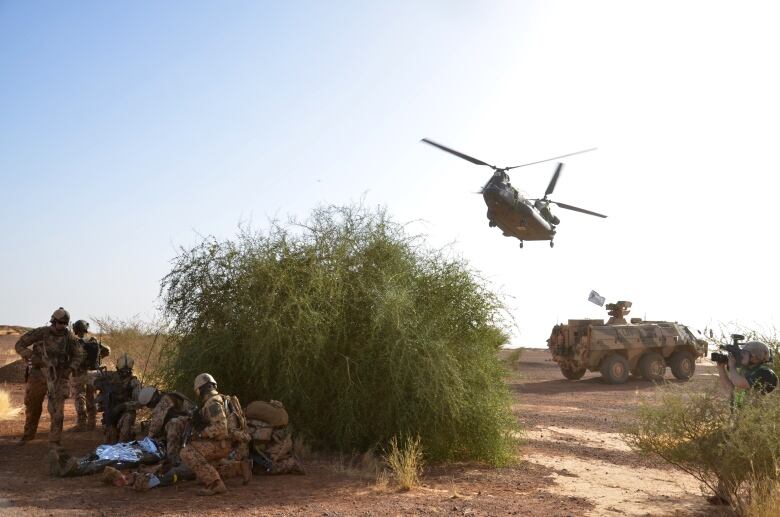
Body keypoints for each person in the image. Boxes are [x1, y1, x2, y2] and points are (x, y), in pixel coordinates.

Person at [14, 307, 84, 446]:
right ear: (53, 321)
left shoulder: (69, 337)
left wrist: (69, 369)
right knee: (33, 406)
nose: (63, 326)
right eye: (60, 323)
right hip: (38, 374)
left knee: (58, 411)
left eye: (65, 323)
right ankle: (28, 435)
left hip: (58, 377)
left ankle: (55, 441)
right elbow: (19, 345)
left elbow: (79, 354)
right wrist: (32, 357)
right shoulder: (41, 332)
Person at [179, 373, 251, 496]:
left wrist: (200, 434)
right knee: (203, 474)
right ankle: (239, 468)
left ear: (201, 389)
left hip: (222, 443)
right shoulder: (222, 398)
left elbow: (221, 429)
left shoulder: (213, 403)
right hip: (229, 443)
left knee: (186, 452)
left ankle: (215, 484)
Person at [137, 386, 196, 464]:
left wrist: (146, 442)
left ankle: (173, 458)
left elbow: (155, 427)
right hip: (191, 422)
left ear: (152, 400)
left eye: (149, 405)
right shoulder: (171, 395)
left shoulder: (163, 402)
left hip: (187, 425)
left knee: (172, 423)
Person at [69, 319, 110, 431]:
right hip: (94, 373)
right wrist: (98, 358)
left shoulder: (73, 342)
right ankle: (92, 423)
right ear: (86, 329)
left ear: (76, 330)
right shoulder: (94, 341)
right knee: (91, 397)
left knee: (79, 397)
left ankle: (81, 424)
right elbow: (108, 351)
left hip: (79, 373)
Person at [95, 353, 141, 444]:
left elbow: (139, 402)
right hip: (110, 411)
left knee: (124, 436)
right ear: (117, 368)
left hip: (126, 412)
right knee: (109, 442)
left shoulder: (134, 382)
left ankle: (124, 444)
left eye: (127, 371)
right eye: (122, 371)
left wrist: (123, 406)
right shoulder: (109, 378)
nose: (124, 373)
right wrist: (101, 402)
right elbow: (99, 394)